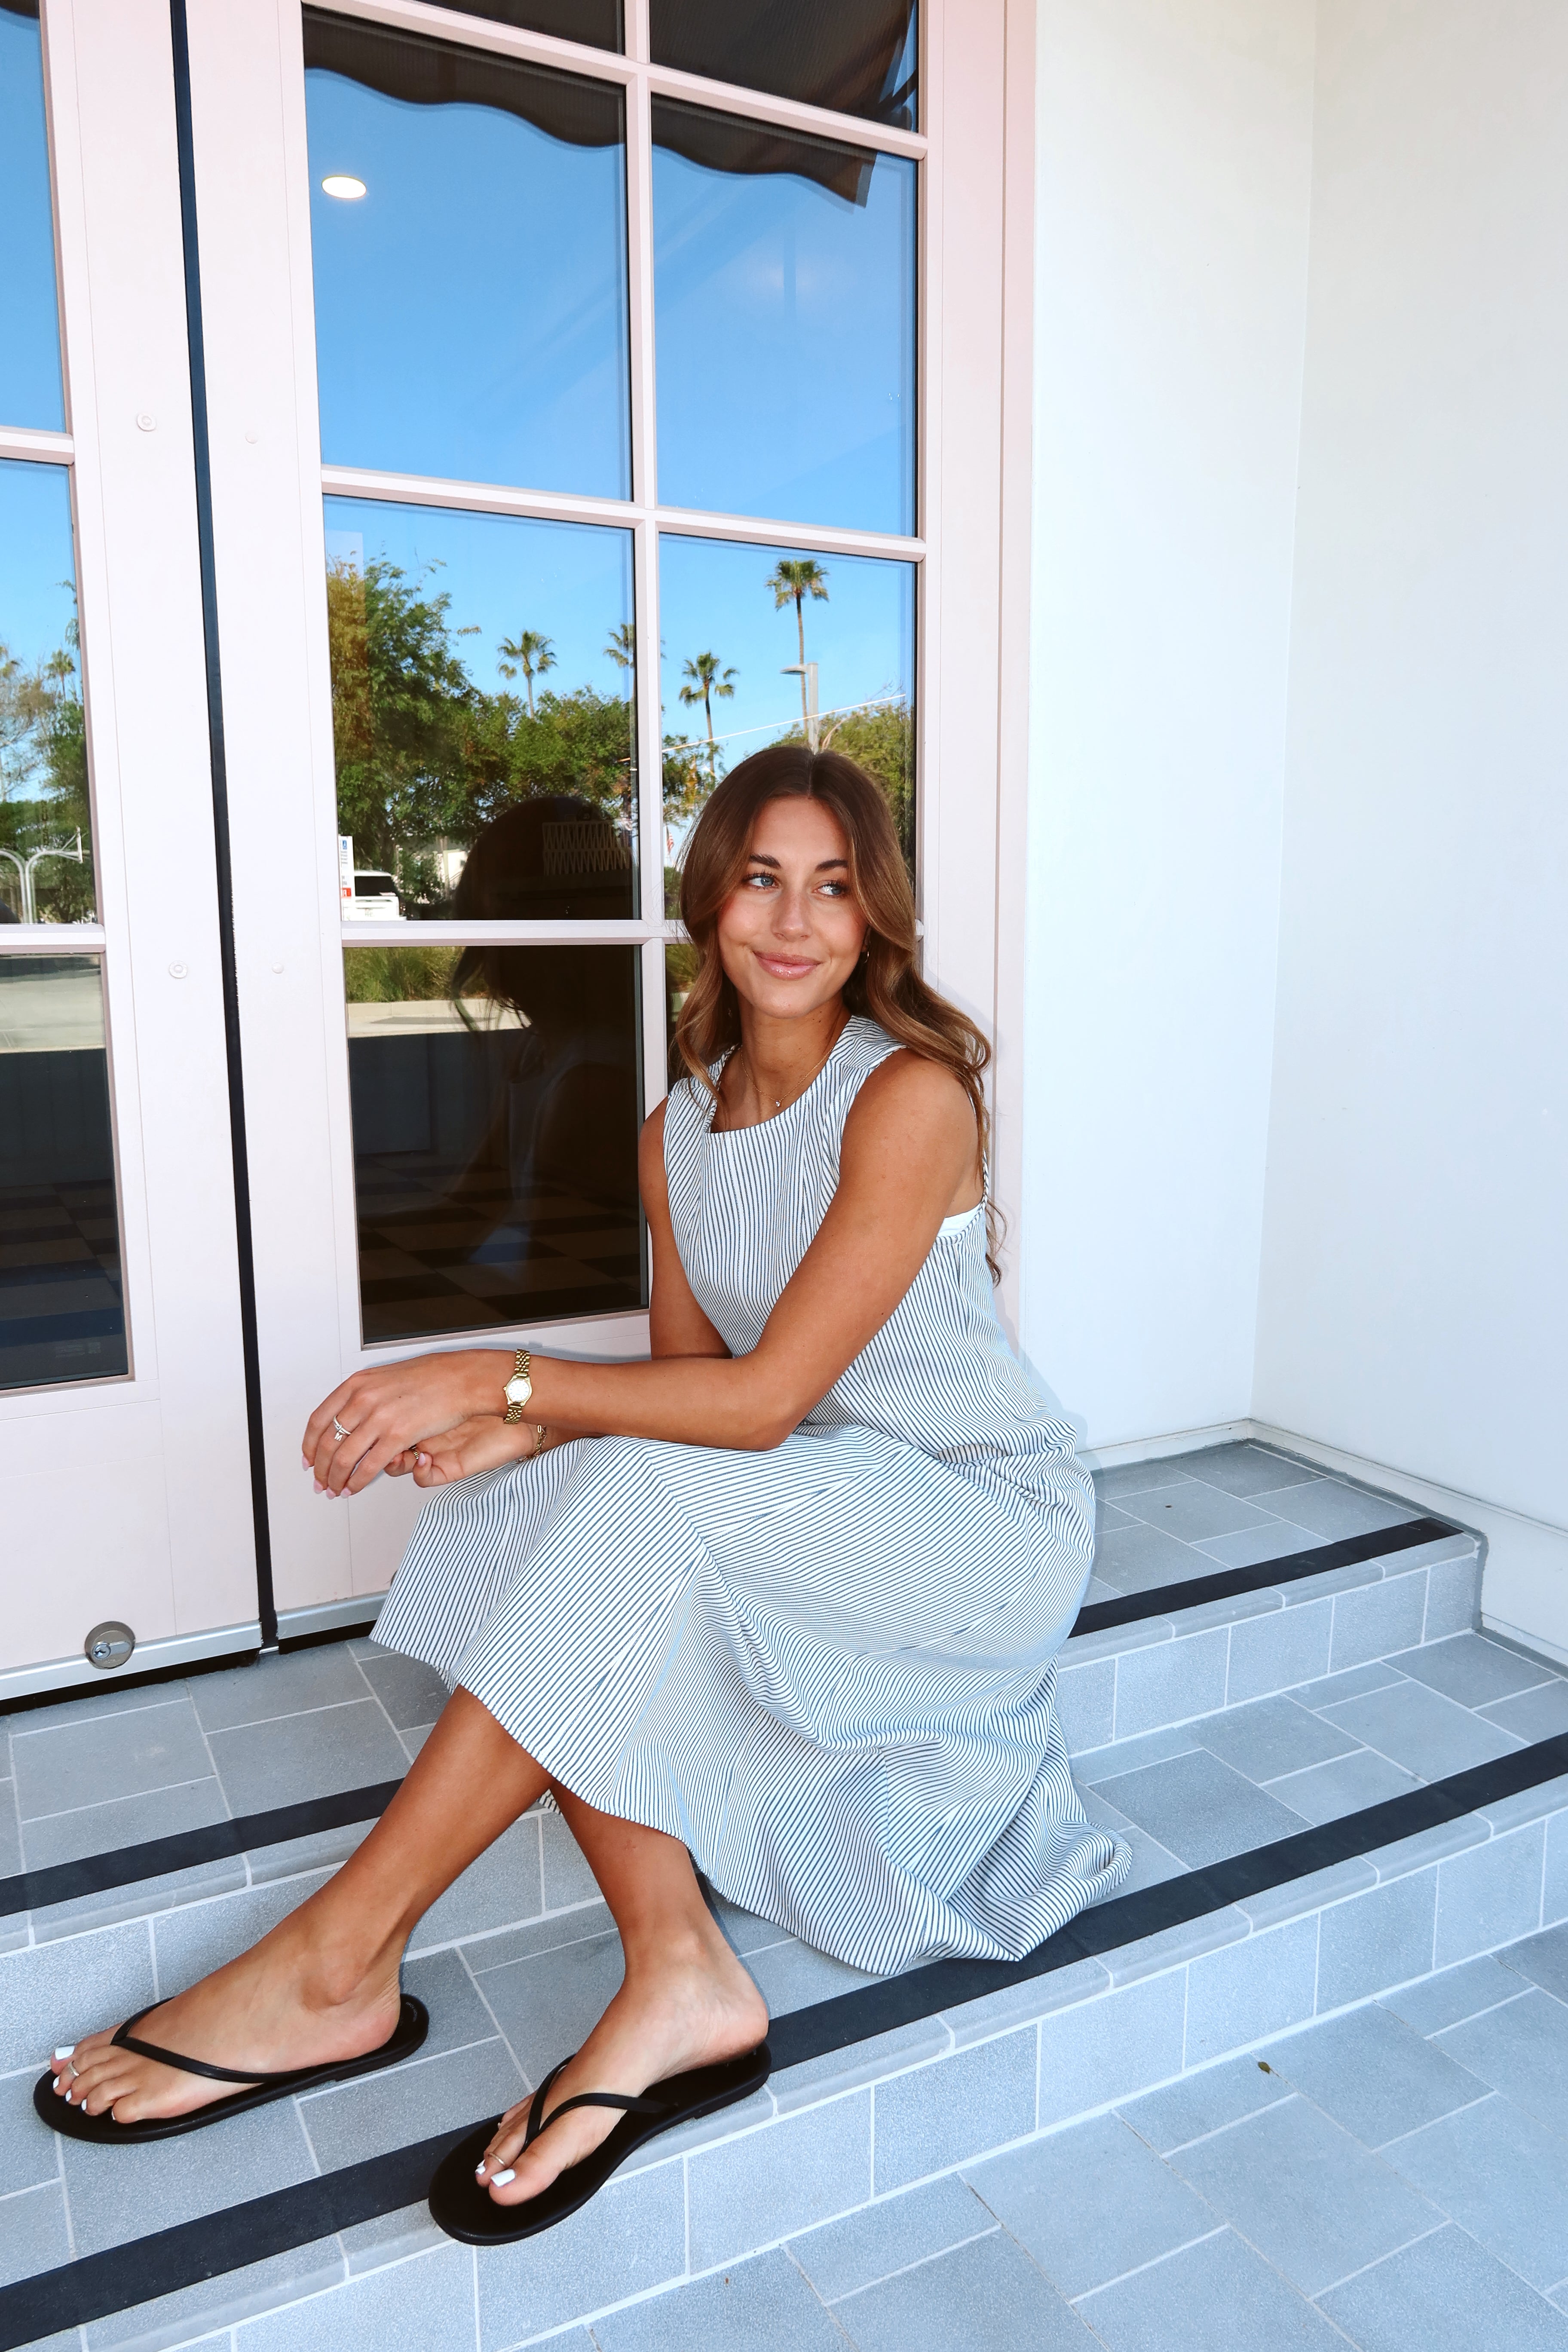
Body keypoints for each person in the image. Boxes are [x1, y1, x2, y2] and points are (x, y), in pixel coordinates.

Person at [41, 745, 1128, 2242]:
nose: (795, 922)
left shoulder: (910, 1098)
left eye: (833, 888)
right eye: (762, 880)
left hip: (975, 1521)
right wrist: (533, 1440)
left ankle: (338, 1957)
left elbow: (758, 1404)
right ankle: (676, 1965)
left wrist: (507, 1382)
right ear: (711, 901)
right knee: (536, 1507)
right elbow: (691, 1400)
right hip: (821, 1495)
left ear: (875, 915)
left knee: (610, 1494)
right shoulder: (678, 1132)